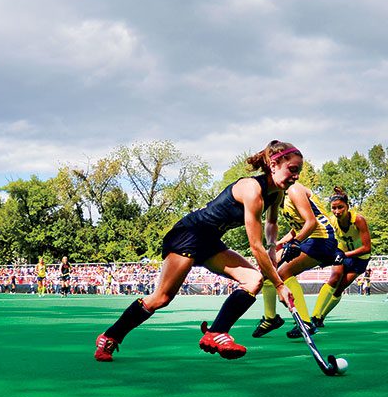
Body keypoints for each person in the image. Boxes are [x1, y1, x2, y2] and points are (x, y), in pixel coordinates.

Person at [93, 141, 302, 362]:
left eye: (298, 171)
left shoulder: (276, 193)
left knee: (253, 280)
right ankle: (109, 337)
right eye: (293, 169)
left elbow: (271, 224)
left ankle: (217, 332)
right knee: (161, 298)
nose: (296, 176)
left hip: (210, 241)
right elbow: (254, 246)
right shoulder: (252, 189)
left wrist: (272, 248)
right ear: (274, 164)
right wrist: (279, 284)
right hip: (189, 234)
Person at [254, 177, 341, 339]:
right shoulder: (281, 199)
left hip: (322, 238)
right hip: (309, 238)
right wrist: (279, 244)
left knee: (284, 272)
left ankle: (305, 322)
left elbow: (311, 223)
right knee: (267, 268)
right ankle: (270, 318)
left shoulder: (294, 190)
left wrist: (295, 243)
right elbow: (297, 229)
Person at [308, 187, 372, 331]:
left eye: (340, 207)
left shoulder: (358, 220)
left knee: (340, 287)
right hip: (342, 252)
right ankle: (314, 317)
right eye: (334, 208)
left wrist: (344, 255)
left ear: (347, 207)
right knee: (334, 278)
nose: (337, 212)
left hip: (360, 258)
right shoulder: (332, 221)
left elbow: (367, 248)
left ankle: (321, 317)